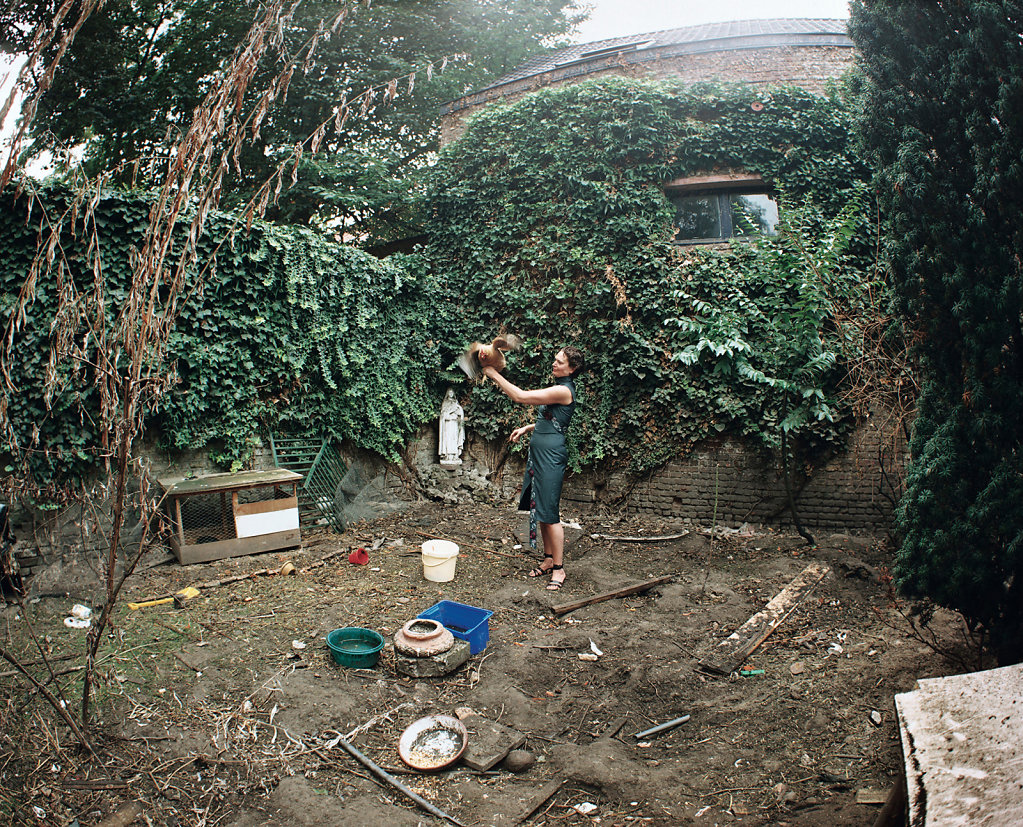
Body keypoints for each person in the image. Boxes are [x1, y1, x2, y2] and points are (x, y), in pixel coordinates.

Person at [482, 346, 584, 590]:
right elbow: (552, 419)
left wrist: (493, 373)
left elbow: (520, 396)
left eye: (559, 362)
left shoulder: (563, 389)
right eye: (555, 359)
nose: (554, 364)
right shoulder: (558, 389)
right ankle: (549, 560)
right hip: (540, 454)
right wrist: (528, 428)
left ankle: (559, 570)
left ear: (572, 368)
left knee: (550, 514)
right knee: (540, 509)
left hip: (551, 456)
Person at [438, 388, 465, 466]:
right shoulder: (445, 403)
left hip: (455, 423)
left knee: (455, 439)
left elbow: (460, 413)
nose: (451, 394)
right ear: (447, 393)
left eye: (452, 392)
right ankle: (448, 456)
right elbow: (443, 415)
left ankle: (455, 455)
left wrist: (459, 412)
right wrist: (450, 411)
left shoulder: (456, 402)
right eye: (449, 392)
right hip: (448, 424)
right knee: (448, 439)